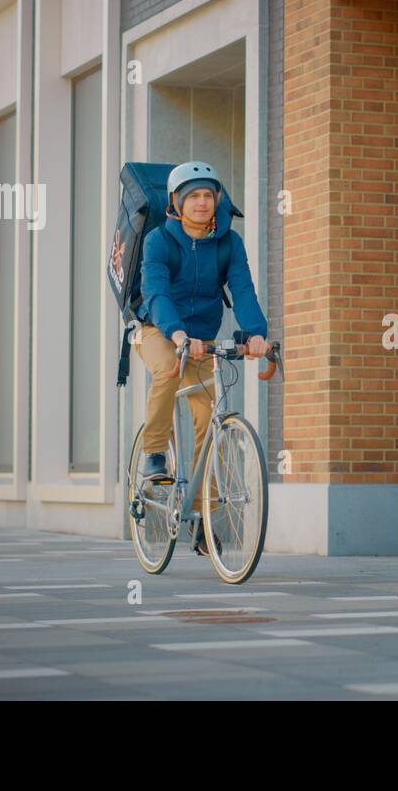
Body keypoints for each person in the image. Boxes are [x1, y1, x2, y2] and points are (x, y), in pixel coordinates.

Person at [134, 161, 269, 555]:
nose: (201, 202)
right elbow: (155, 291)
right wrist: (175, 332)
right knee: (167, 369)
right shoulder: (159, 240)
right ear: (176, 202)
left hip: (202, 339)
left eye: (208, 195)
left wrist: (257, 333)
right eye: (193, 195)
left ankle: (202, 519)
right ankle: (154, 453)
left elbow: (242, 288)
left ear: (218, 200)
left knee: (207, 423)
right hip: (157, 330)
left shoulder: (229, 241)